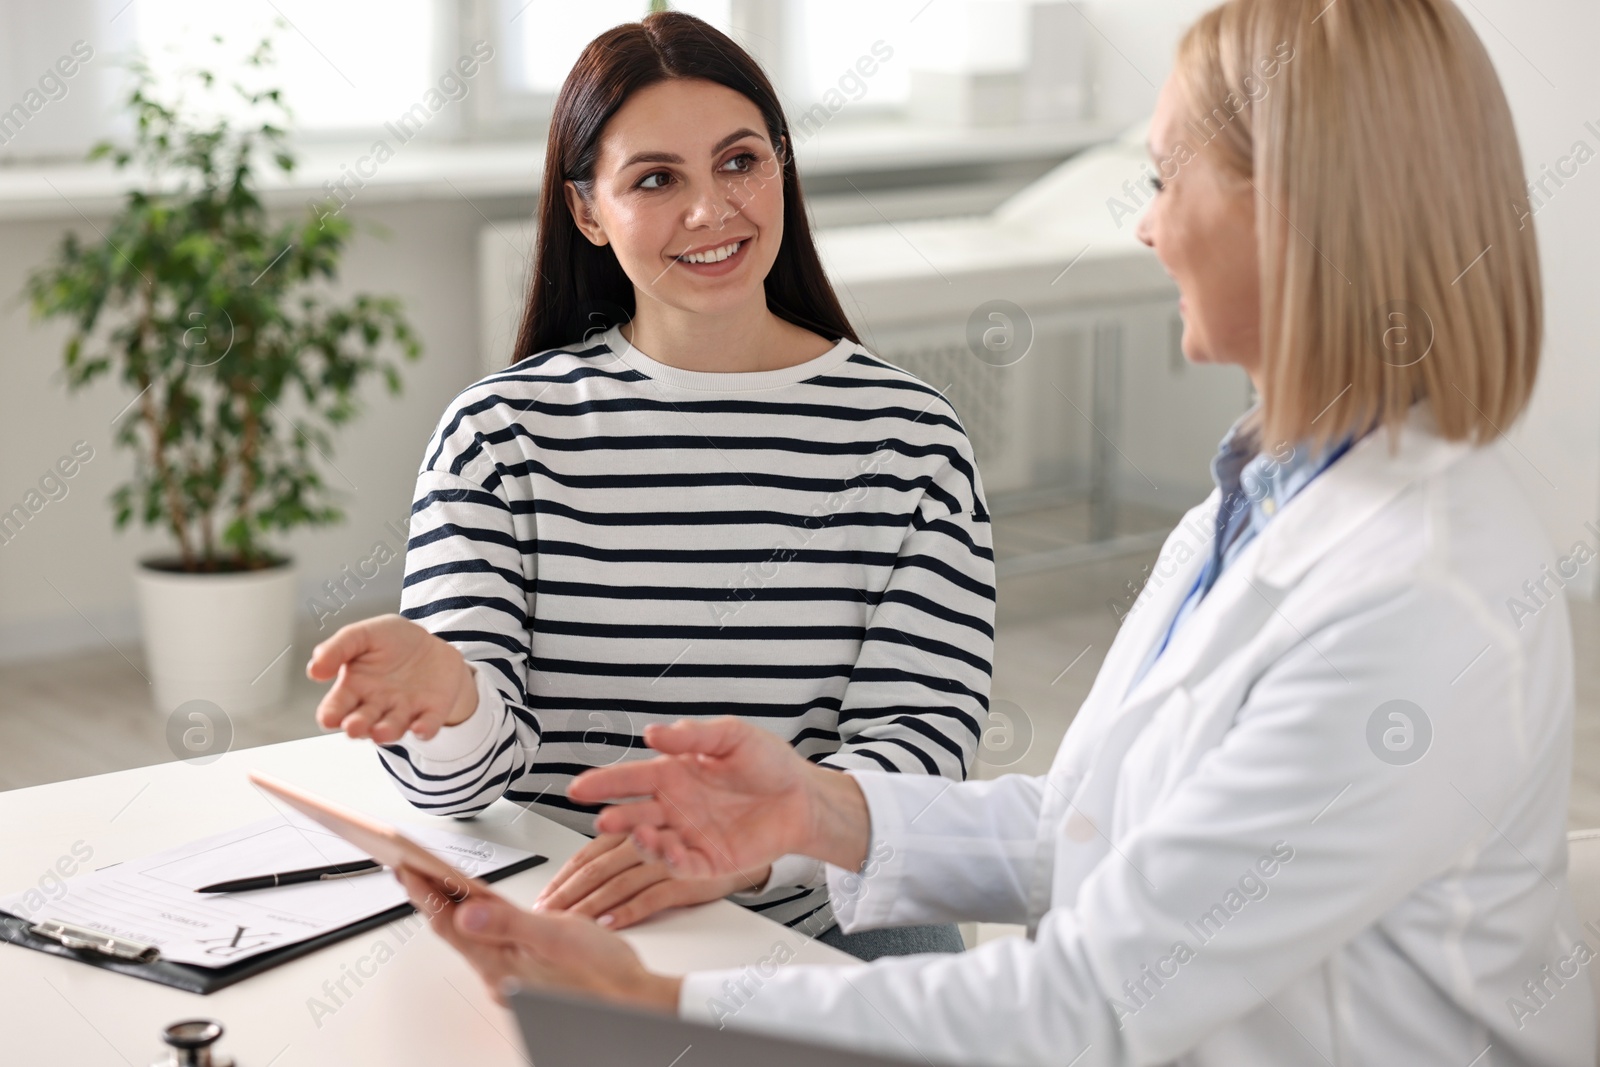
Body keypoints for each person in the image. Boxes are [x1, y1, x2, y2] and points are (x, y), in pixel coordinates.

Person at [388, 0, 1598, 1064]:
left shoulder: (1410, 604)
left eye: (1167, 178)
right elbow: (1083, 824)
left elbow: (1091, 1007)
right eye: (651, 176)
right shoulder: (1259, 504)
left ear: (1302, 208)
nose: (1146, 225)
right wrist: (812, 808)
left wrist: (654, 996)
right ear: (587, 211)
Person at [305, 12, 994, 959]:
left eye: (741, 162)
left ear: (783, 166)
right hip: (583, 932)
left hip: (826, 935)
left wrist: (742, 852)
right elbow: (455, 790)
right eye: (657, 179)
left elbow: (923, 745)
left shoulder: (909, 437)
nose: (712, 210)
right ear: (588, 210)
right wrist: (452, 697)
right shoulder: (500, 437)